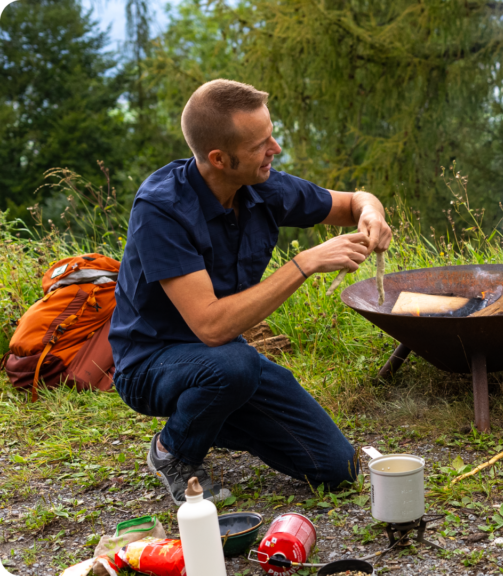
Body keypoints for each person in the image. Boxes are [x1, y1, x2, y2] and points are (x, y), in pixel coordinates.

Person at [110, 79, 392, 504]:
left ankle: (212, 414)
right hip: (152, 362)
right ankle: (173, 451)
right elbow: (210, 325)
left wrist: (372, 213)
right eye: (261, 144)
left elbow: (354, 201)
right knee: (235, 364)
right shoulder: (162, 210)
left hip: (223, 362)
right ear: (220, 158)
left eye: (271, 135)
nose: (275, 149)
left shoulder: (263, 186)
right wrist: (306, 263)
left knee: (339, 468)